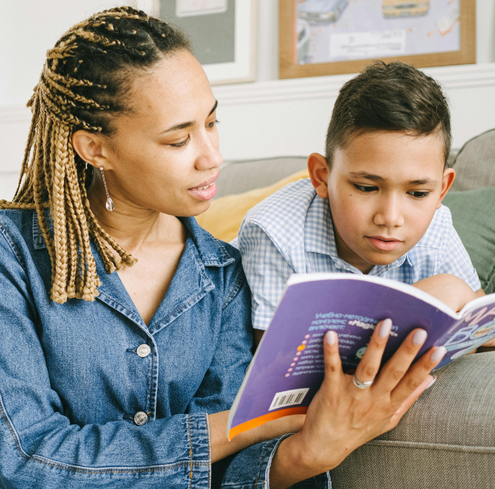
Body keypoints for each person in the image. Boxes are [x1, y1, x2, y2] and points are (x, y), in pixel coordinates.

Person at [0, 7, 446, 488]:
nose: (212, 157)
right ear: (95, 148)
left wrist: (308, 452)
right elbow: (25, 460)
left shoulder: (223, 274)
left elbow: (226, 475)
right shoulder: (13, 257)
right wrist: (237, 427)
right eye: (179, 140)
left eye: (212, 123)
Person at [238, 61, 485, 345]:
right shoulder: (273, 233)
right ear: (322, 177)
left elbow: (479, 321)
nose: (391, 218)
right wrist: (431, 297)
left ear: (442, 190)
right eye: (367, 187)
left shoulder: (436, 227)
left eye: (417, 193)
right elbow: (277, 370)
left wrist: (452, 292)